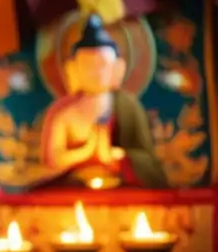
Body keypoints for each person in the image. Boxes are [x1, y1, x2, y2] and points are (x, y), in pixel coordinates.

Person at [37, 13, 167, 190]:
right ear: (73, 70)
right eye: (89, 66)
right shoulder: (63, 114)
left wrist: (118, 157)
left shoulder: (127, 107)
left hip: (121, 188)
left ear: (118, 69)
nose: (97, 73)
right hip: (73, 188)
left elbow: (147, 161)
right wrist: (86, 151)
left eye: (103, 66)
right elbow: (51, 161)